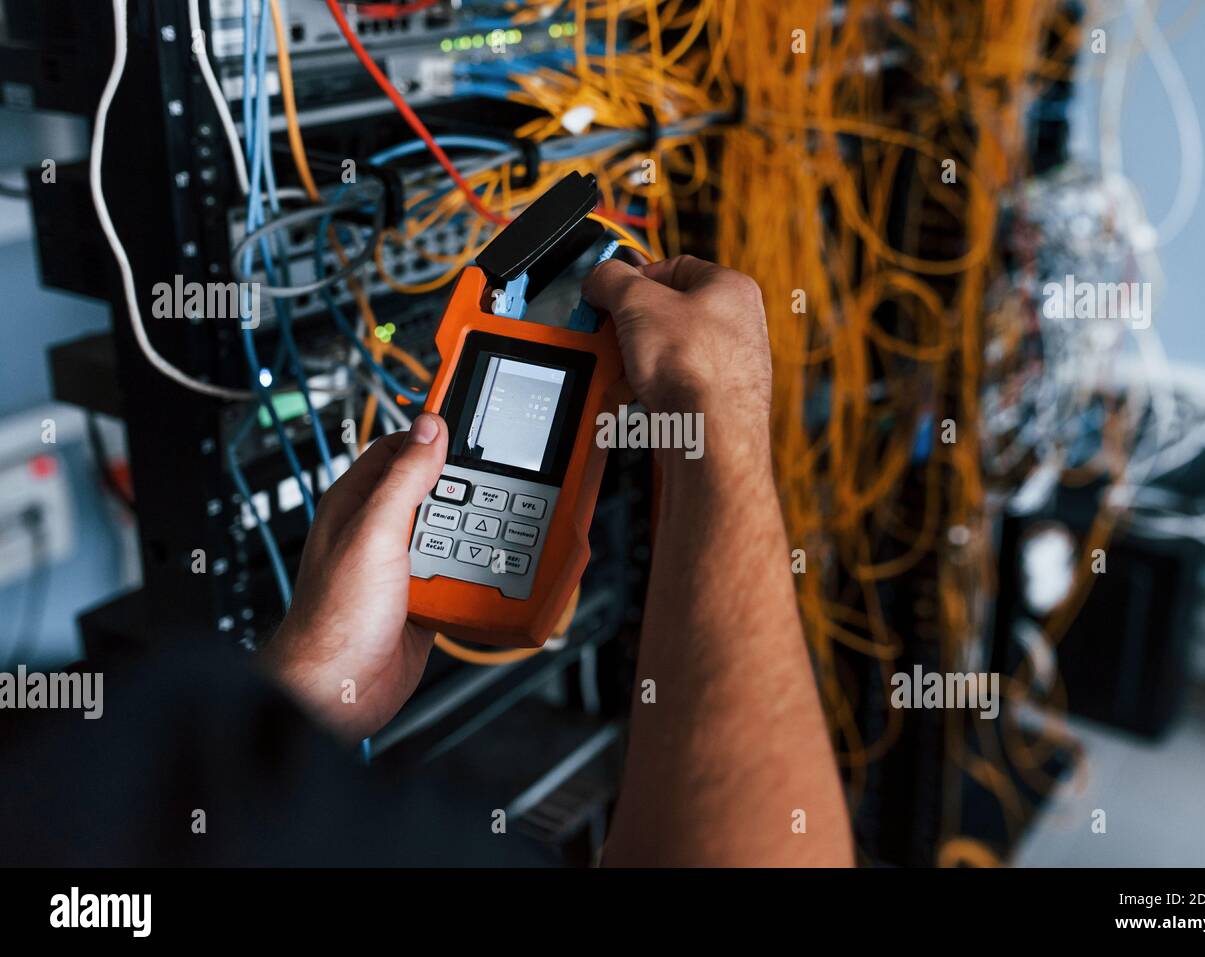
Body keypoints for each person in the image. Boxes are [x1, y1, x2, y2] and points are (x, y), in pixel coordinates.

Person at [0, 257, 852, 868]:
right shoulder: (87, 771)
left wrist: (323, 675)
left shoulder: (74, 786)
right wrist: (723, 410)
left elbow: (202, 810)